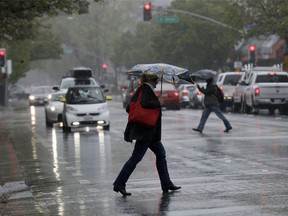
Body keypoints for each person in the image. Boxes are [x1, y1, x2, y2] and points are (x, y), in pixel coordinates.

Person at [113, 73, 181, 196]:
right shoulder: (145, 90)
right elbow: (144, 104)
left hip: (149, 132)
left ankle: (166, 183)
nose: (157, 83)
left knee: (161, 154)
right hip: (145, 132)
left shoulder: (141, 90)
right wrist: (158, 103)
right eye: (155, 80)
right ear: (150, 81)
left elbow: (130, 108)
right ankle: (119, 184)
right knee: (136, 158)